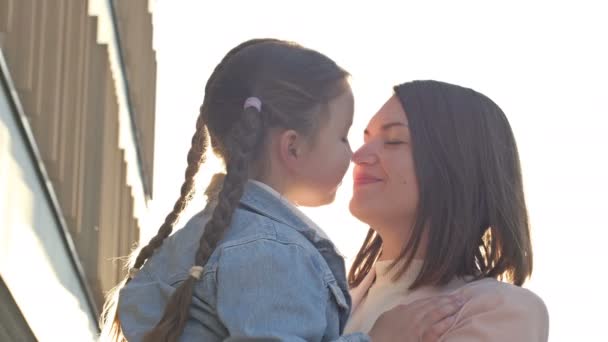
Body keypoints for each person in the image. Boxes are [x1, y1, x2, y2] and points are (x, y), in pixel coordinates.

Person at [99, 40, 461, 342]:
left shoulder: (209, 236)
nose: (353, 155)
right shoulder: (272, 251)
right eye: (342, 135)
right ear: (293, 148)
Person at [344, 80, 550, 341]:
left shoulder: (500, 311)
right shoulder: (326, 304)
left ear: (456, 166)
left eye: (393, 141)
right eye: (366, 139)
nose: (359, 155)